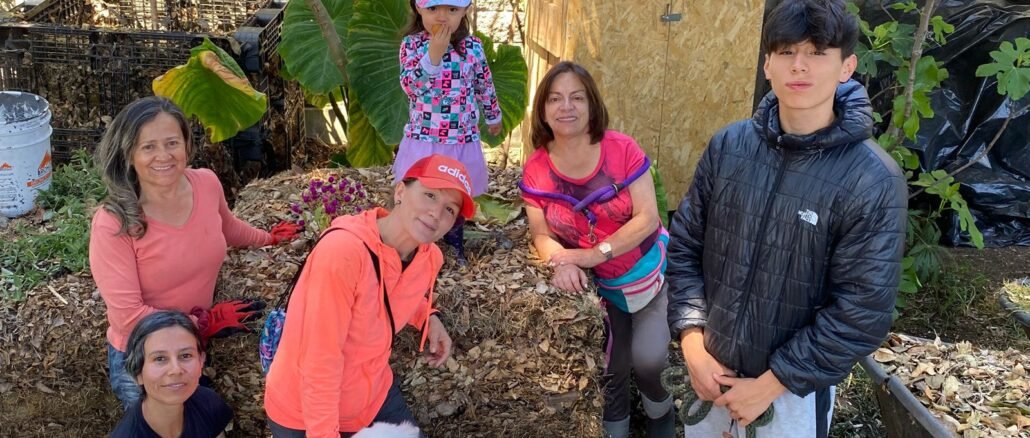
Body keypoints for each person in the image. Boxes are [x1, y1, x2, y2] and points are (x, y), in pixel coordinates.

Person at [666, 0, 907, 436]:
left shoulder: (871, 179)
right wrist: (693, 343)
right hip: (709, 377)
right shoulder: (729, 147)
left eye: (817, 53)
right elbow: (684, 246)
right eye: (786, 52)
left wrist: (772, 383)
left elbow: (862, 309)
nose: (799, 65)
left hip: (791, 396)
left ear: (847, 66)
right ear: (767, 64)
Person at [89, 96, 301, 409]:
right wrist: (203, 322)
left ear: (187, 145)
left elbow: (227, 228)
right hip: (146, 357)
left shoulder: (206, 184)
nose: (164, 155)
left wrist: (268, 238)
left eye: (172, 143)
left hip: (191, 346)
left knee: (205, 422)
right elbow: (127, 317)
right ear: (129, 153)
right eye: (148, 147)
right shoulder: (113, 222)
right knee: (169, 427)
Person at [263, 154, 471, 437]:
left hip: (373, 396)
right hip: (306, 412)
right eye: (430, 195)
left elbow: (395, 288)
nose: (436, 213)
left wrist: (427, 316)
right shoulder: (343, 253)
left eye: (450, 209)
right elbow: (319, 360)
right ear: (400, 192)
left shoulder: (428, 257)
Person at [519, 61, 674, 438]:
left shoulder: (621, 149)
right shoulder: (536, 168)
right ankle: (616, 428)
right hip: (600, 289)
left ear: (592, 105)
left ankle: (660, 414)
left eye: (576, 98)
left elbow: (648, 218)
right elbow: (540, 233)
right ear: (542, 110)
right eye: (554, 99)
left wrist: (591, 255)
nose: (565, 107)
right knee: (609, 368)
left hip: (645, 274)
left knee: (650, 359)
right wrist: (560, 262)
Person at [396, 0, 502, 263]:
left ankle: (454, 244)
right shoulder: (412, 46)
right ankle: (413, 245)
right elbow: (410, 87)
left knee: (455, 194)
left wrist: (493, 115)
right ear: (418, 8)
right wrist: (432, 56)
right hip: (425, 139)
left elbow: (484, 85)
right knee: (421, 192)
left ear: (465, 10)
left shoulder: (472, 48)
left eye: (452, 10)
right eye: (433, 9)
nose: (442, 17)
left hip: (460, 140)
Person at [110, 310, 233, 438]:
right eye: (160, 358)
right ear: (138, 373)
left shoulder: (209, 403)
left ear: (201, 361)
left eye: (185, 355)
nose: (176, 369)